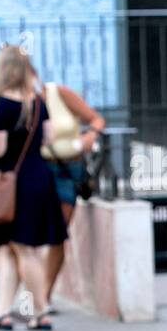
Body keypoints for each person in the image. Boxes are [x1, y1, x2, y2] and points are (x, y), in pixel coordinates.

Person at [0, 46, 65, 331]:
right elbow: (49, 138)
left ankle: (40, 312)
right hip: (37, 176)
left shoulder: (1, 106)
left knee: (23, 249)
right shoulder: (38, 102)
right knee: (9, 251)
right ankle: (2, 311)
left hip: (11, 184)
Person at [41, 79, 104, 314]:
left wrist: (91, 135)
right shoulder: (22, 102)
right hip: (40, 169)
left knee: (58, 234)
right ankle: (36, 297)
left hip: (69, 170)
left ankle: (44, 296)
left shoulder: (59, 93)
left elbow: (96, 119)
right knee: (34, 237)